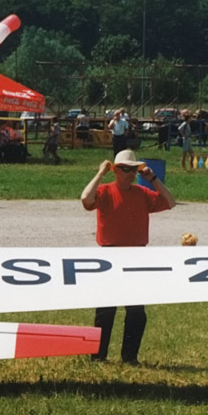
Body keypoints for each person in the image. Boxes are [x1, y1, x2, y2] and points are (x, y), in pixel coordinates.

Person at [80, 149, 177, 364]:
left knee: (136, 311)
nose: (131, 173)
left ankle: (130, 357)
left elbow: (170, 202)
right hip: (110, 256)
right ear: (115, 170)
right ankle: (98, 356)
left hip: (136, 258)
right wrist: (100, 174)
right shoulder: (105, 191)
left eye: (134, 169)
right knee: (106, 310)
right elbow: (86, 198)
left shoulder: (142, 194)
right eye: (125, 169)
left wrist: (153, 179)